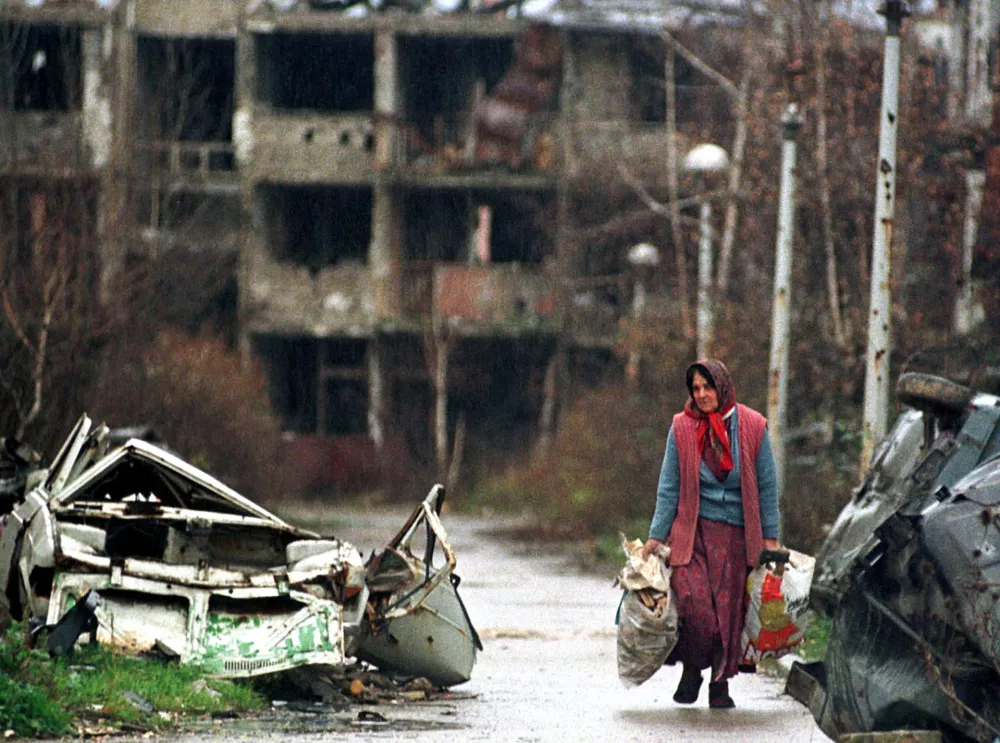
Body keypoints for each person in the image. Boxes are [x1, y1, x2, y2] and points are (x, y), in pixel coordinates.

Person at [641, 359, 780, 709]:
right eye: (696, 388)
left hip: (736, 536)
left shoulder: (752, 426)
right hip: (693, 534)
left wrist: (771, 539)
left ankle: (720, 684)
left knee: (728, 615)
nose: (702, 395)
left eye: (708, 387)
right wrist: (656, 537)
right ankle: (692, 669)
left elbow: (766, 488)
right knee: (693, 605)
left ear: (723, 386)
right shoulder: (682, 428)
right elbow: (669, 488)